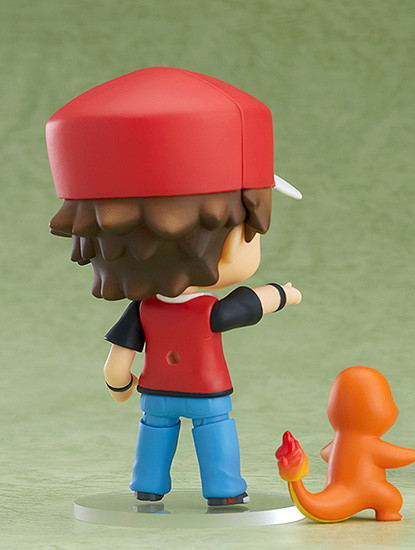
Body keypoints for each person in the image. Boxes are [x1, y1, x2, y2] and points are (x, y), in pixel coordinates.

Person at [46, 67, 302, 504]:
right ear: (224, 242)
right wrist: (285, 294)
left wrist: (120, 387)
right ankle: (224, 490)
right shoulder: (207, 310)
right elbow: (248, 304)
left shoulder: (143, 310)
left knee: (154, 432)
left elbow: (117, 364)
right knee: (214, 432)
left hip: (156, 393)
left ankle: (148, 486)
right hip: (207, 392)